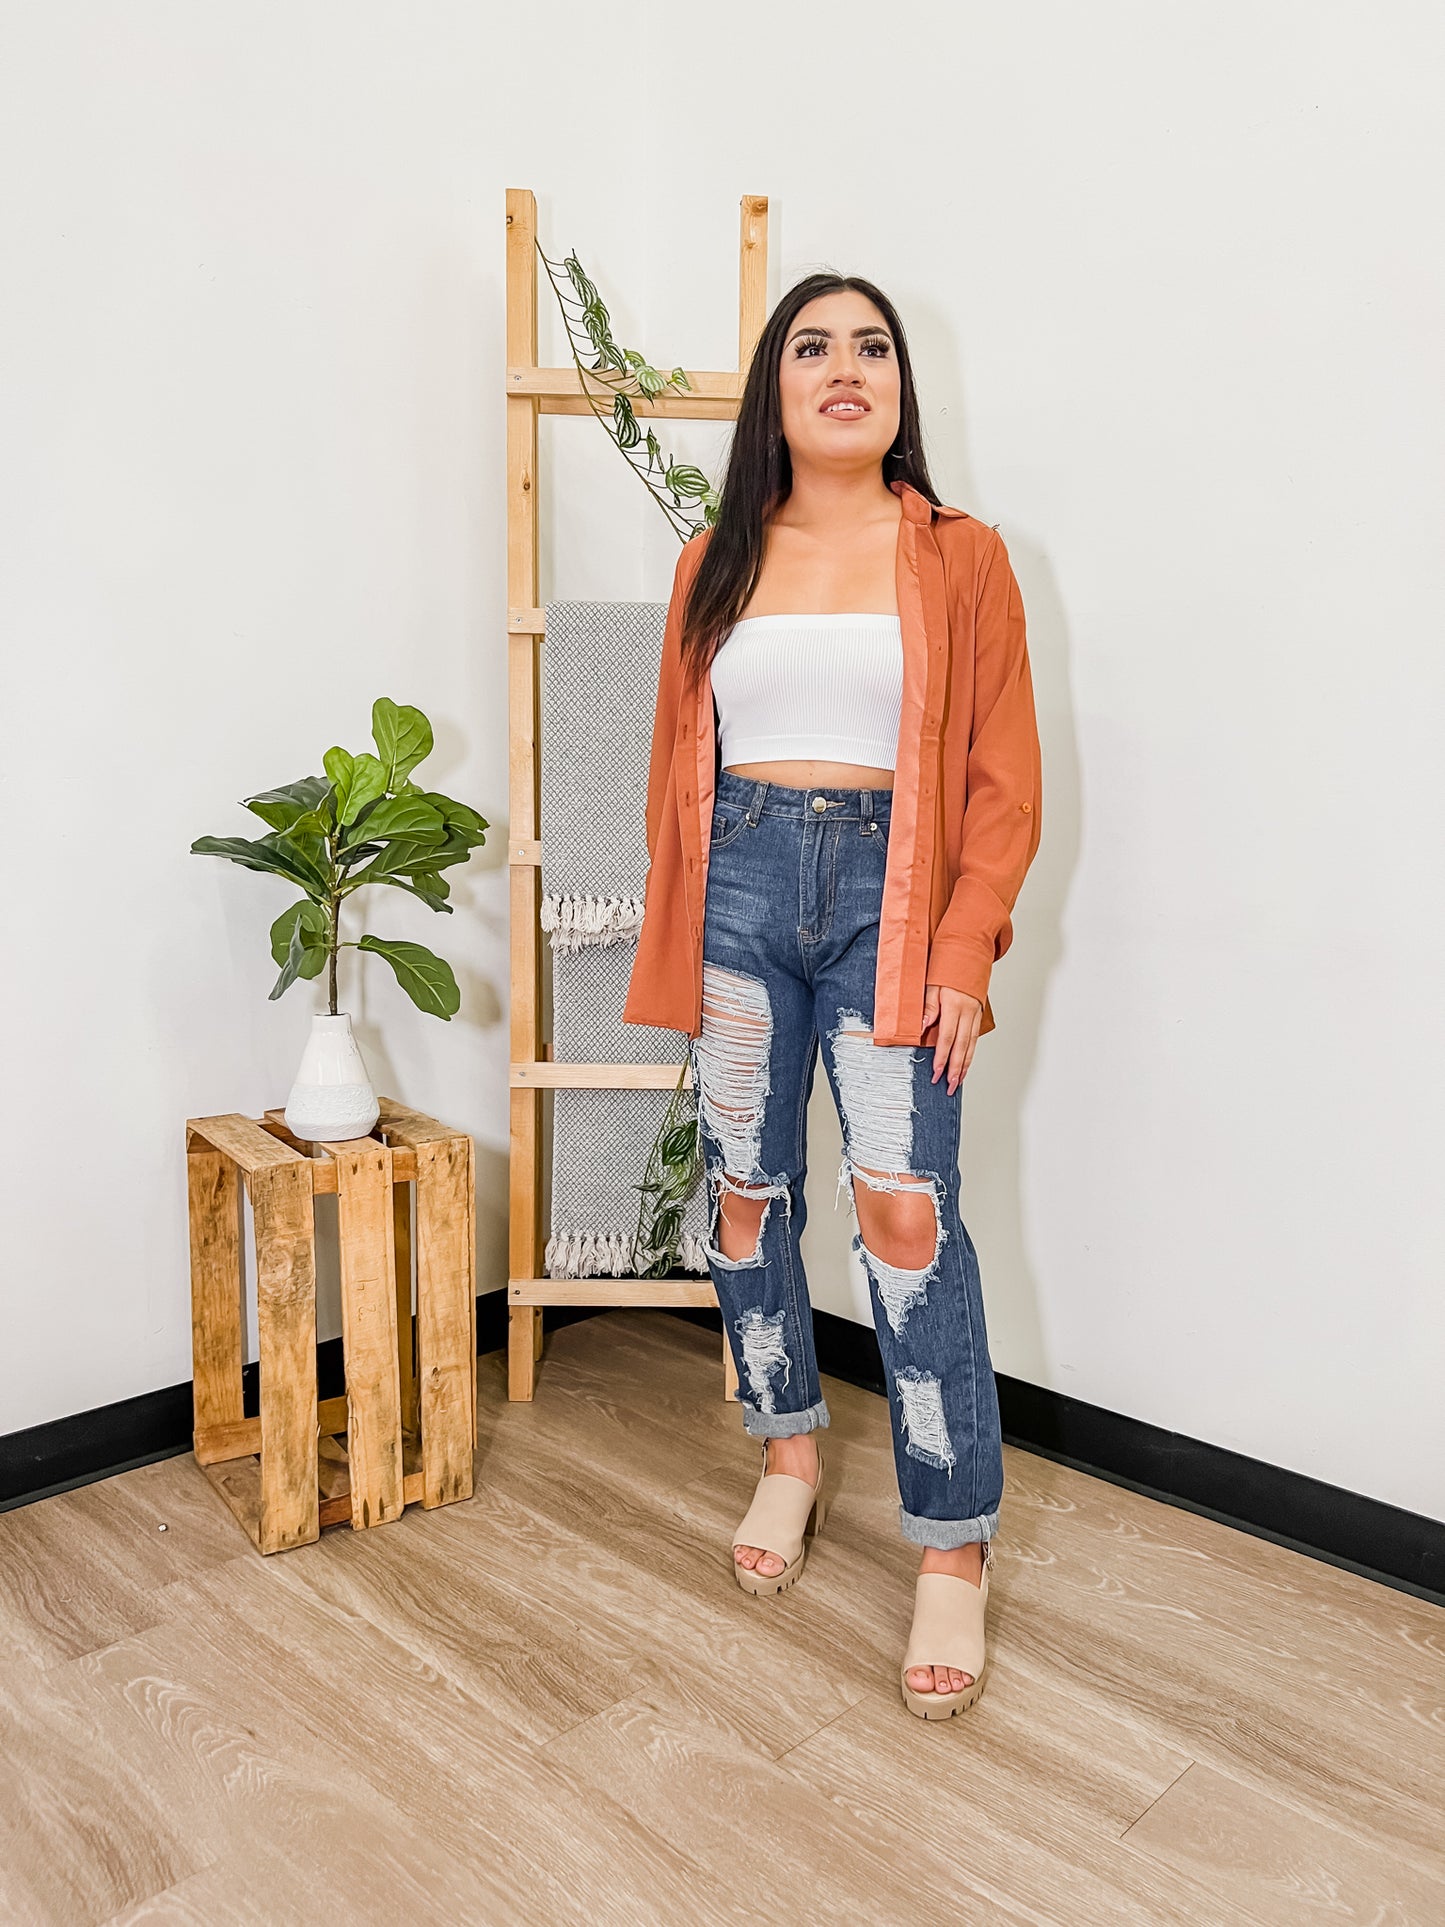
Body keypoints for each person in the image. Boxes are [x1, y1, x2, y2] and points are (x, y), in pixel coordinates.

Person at [623, 270, 1042, 1719]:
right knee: (744, 1193)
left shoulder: (961, 557)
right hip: (738, 892)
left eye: (872, 346)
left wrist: (964, 949)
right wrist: (678, 926)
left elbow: (1000, 780)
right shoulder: (713, 561)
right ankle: (788, 1451)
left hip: (893, 903)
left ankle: (952, 1539)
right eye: (813, 347)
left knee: (902, 1216)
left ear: (900, 388)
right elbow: (676, 769)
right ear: (777, 390)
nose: (844, 367)